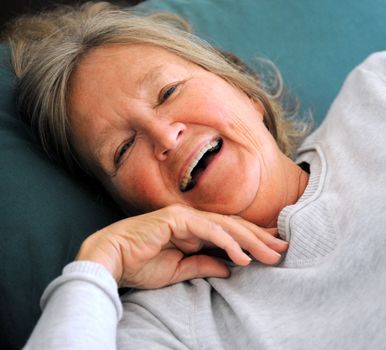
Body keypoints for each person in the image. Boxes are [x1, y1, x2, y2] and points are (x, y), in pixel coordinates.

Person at [5, 2, 386, 349]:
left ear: (241, 88)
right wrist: (99, 264)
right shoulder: (169, 324)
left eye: (168, 92)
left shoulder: (375, 92)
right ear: (127, 206)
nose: (165, 135)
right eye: (122, 150)